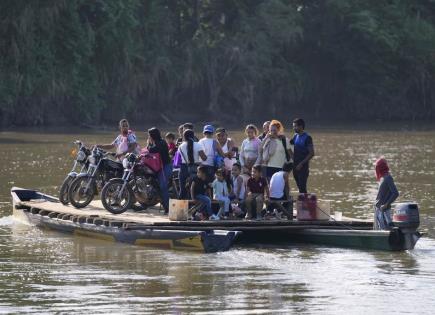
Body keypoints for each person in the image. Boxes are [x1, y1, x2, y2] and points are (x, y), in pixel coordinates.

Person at [147, 127, 172, 214]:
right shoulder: (158, 142)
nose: (148, 136)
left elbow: (151, 150)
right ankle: (165, 206)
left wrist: (149, 144)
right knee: (157, 185)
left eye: (149, 135)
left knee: (163, 187)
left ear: (153, 135)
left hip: (165, 167)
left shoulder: (160, 143)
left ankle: (169, 208)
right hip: (159, 167)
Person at [178, 129, 207, 199]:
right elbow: (204, 158)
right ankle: (194, 207)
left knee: (183, 190)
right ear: (193, 136)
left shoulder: (180, 146)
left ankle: (180, 208)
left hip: (183, 168)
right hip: (195, 169)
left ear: (184, 137)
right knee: (194, 190)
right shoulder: (197, 145)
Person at [373, 158, 399, 230]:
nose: (375, 169)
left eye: (376, 167)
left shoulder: (388, 177)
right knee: (378, 231)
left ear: (380, 167)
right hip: (378, 210)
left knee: (385, 230)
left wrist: (386, 204)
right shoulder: (382, 178)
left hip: (383, 211)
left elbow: (395, 193)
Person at [290, 118, 314, 193]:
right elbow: (288, 144)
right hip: (295, 165)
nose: (294, 128)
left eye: (296, 126)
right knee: (300, 188)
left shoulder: (307, 137)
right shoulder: (295, 136)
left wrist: (301, 164)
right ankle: (305, 201)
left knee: (302, 187)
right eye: (293, 126)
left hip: (303, 167)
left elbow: (312, 153)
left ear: (301, 126)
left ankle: (305, 203)